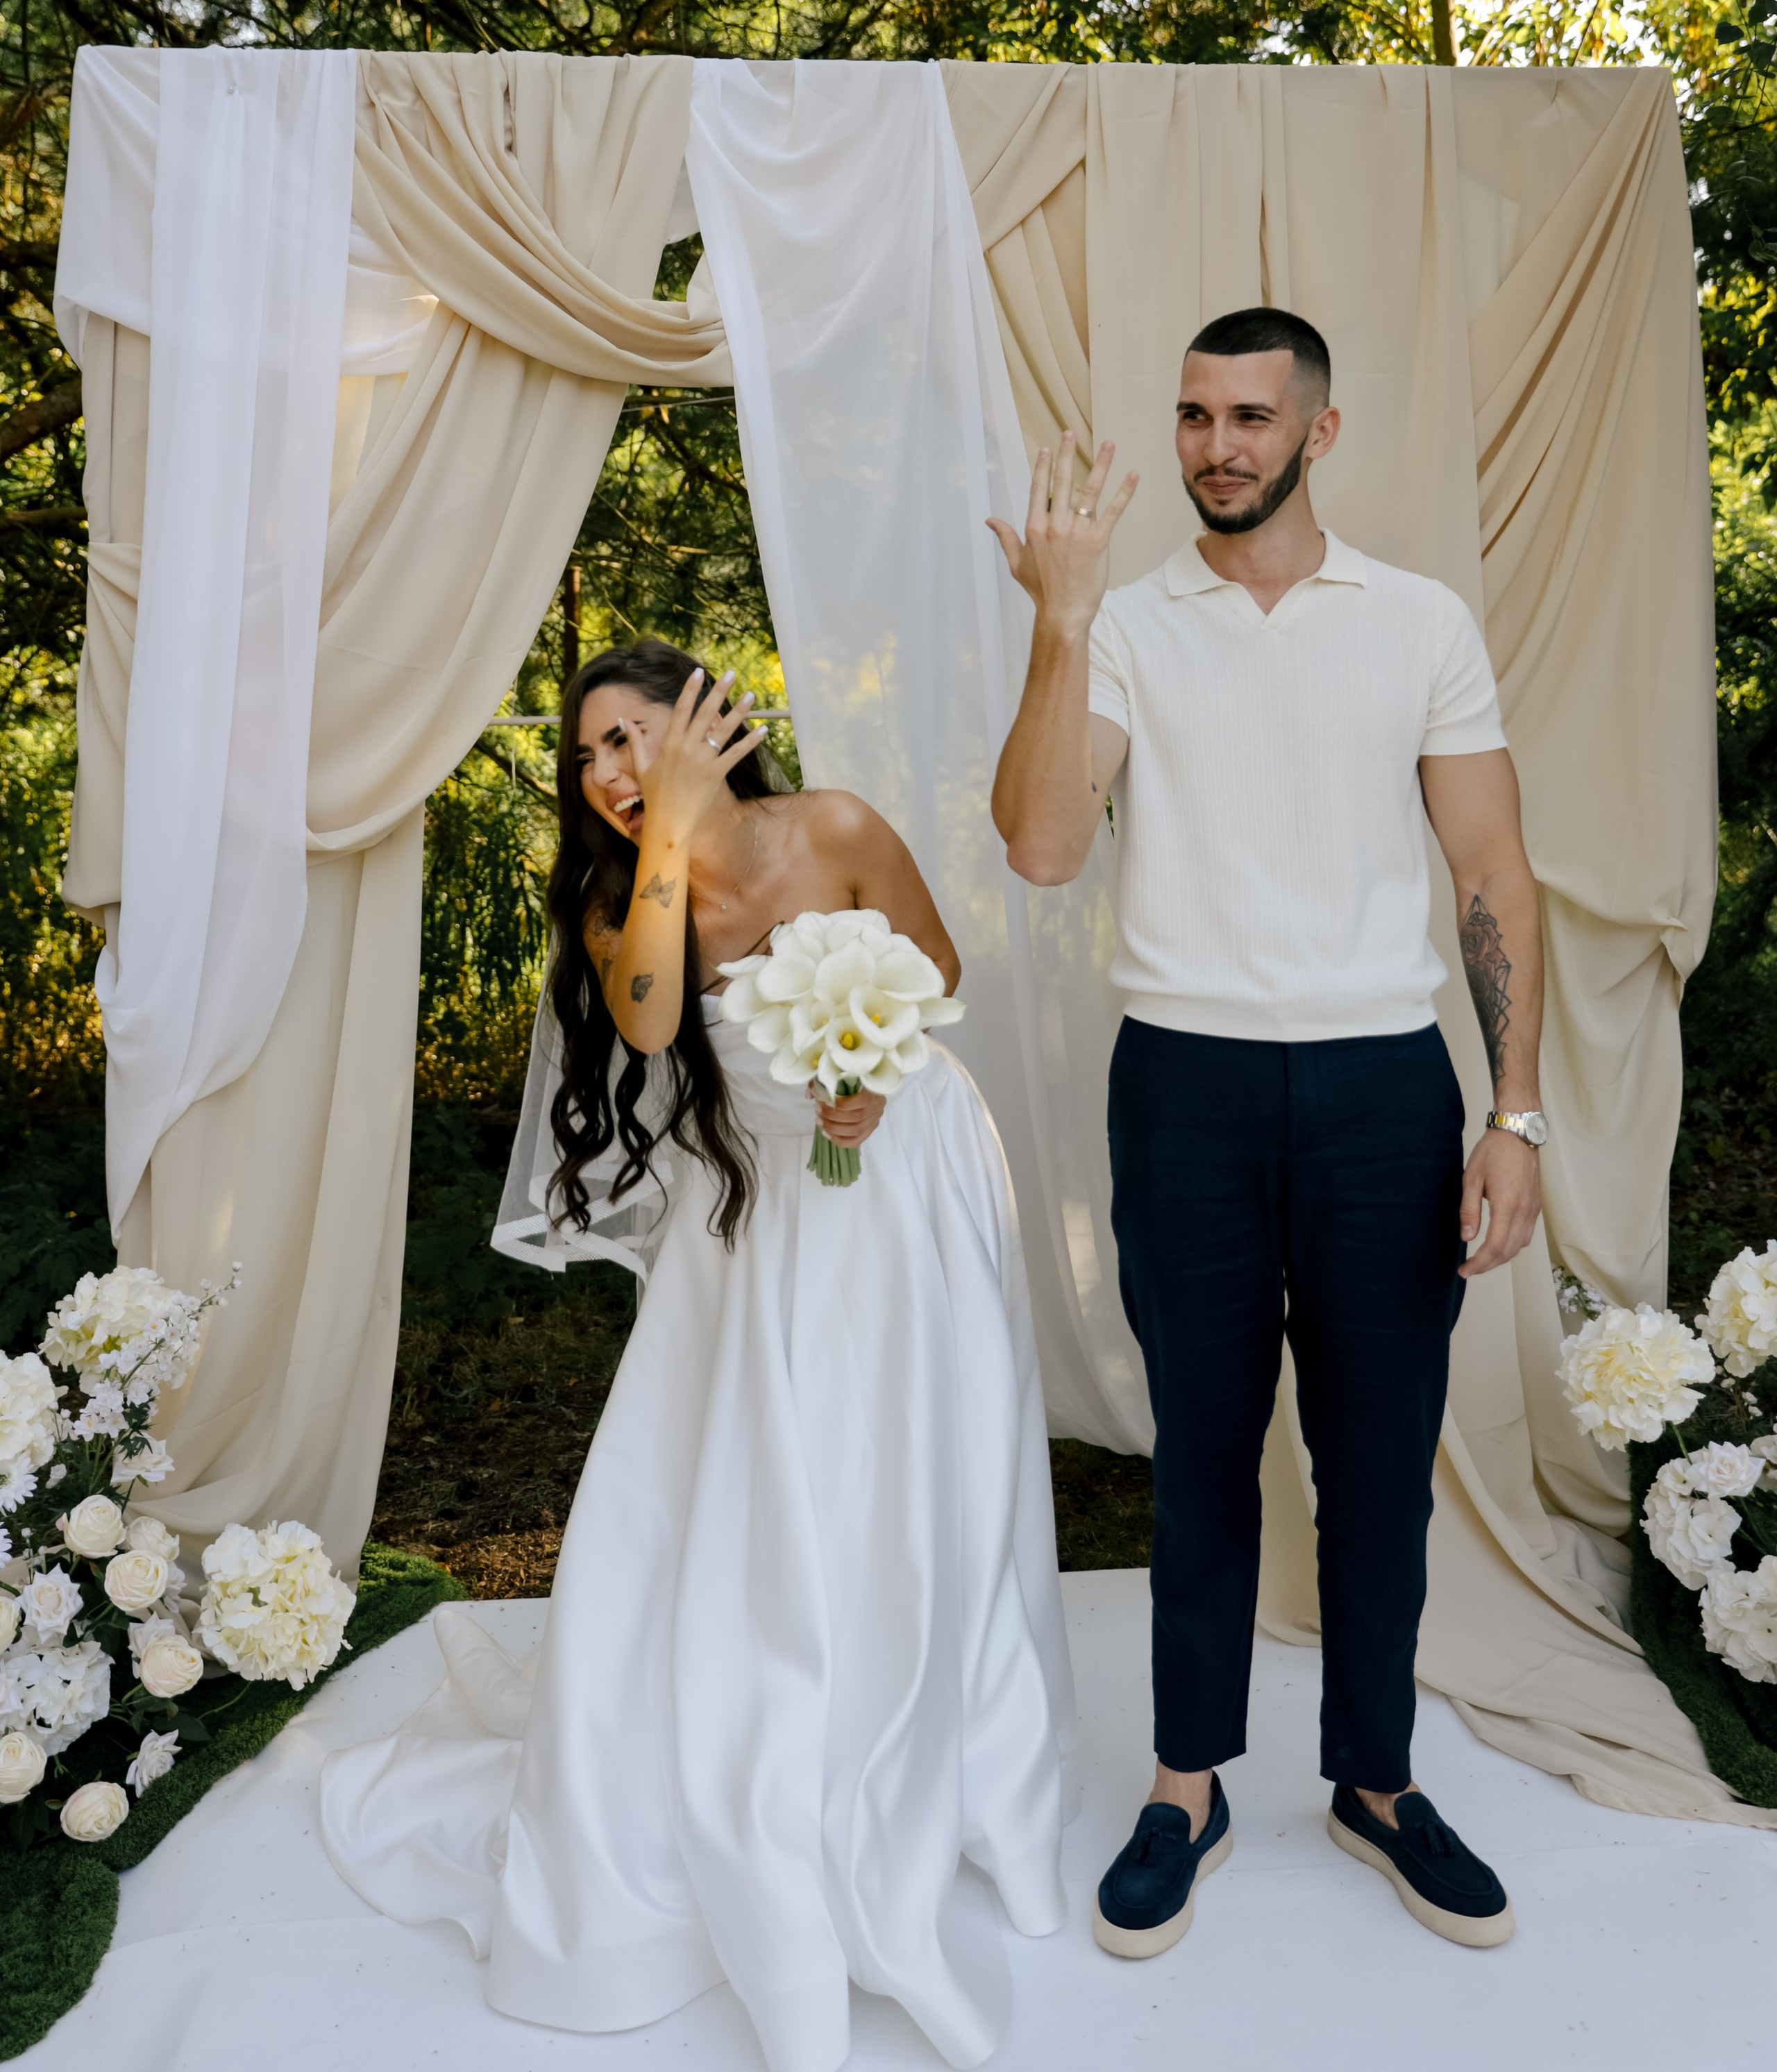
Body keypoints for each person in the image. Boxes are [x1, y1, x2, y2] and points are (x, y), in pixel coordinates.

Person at [321, 638, 1072, 2072]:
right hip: (769, 1203)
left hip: (908, 1160)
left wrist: (871, 1068)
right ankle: (791, 1735)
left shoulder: (835, 827)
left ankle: (947, 1743)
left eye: (630, 739)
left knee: (931, 1455)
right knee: (770, 1488)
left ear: (705, 728)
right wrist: (664, 826)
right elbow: (658, 1020)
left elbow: (941, 968)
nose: (607, 772)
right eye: (588, 756)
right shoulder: (620, 908)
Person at [988, 308, 1542, 1960]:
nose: (1214, 444)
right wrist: (1061, 625)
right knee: (1200, 1460)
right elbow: (1033, 850)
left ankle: (1373, 1782)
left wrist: (1510, 1110)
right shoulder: (1131, 629)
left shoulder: (1418, 620)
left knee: (1378, 1465)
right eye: (1191, 415)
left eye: (1247, 415)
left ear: (1318, 428)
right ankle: (1185, 1787)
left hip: (1383, 1086)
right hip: (1187, 1089)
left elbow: (1491, 875)